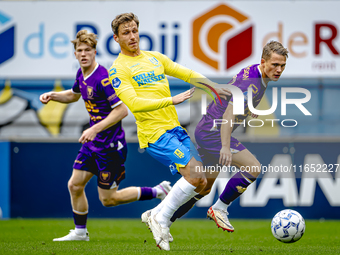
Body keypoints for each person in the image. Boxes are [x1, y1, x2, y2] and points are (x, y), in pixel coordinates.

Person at [108, 13, 230, 250]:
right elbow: (134, 104)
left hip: (175, 129)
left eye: (134, 30)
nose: (132, 36)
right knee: (195, 176)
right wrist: (170, 100)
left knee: (204, 185)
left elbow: (185, 73)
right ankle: (161, 218)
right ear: (116, 38)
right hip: (155, 134)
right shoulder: (117, 70)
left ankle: (156, 212)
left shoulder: (155, 58)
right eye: (126, 33)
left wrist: (213, 86)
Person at [39, 30, 171, 242]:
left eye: (87, 50)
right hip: (92, 144)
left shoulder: (103, 78)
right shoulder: (81, 74)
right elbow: (74, 94)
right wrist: (54, 95)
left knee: (108, 200)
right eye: (79, 51)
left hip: (110, 146)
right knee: (74, 185)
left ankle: (158, 191)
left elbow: (121, 111)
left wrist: (94, 129)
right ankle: (80, 233)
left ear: (94, 52)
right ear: (75, 54)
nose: (83, 54)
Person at [169, 41, 289, 232]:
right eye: (275, 64)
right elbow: (229, 115)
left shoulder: (255, 73)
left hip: (207, 129)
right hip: (213, 133)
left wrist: (249, 108)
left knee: (203, 188)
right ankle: (219, 208)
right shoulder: (253, 84)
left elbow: (234, 96)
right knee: (253, 167)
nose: (279, 69)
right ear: (263, 61)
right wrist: (225, 146)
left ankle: (163, 218)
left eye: (282, 65)